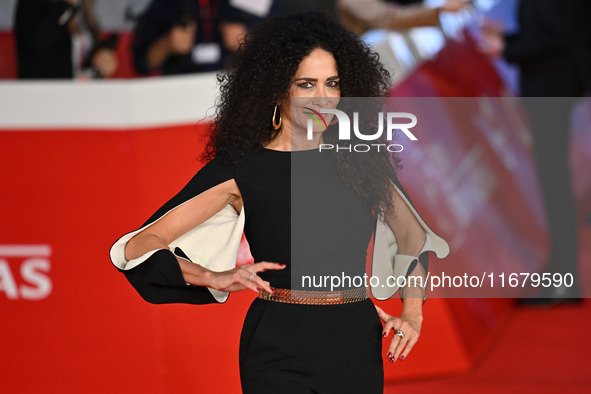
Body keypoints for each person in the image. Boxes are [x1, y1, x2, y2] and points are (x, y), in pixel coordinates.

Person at [110, 12, 449, 392]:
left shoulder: (360, 156)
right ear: (276, 89)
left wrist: (413, 312)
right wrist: (212, 277)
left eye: (332, 83)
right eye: (306, 84)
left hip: (356, 339)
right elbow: (138, 247)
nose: (323, 98)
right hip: (278, 349)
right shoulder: (243, 170)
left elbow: (412, 237)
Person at [480, 0, 590, 303]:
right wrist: (510, 42)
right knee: (554, 180)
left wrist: (508, 49)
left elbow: (559, 33)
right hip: (553, 84)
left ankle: (564, 281)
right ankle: (561, 273)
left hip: (552, 86)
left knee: (554, 181)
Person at [132, 0, 277, 75]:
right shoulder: (169, 3)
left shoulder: (256, 2)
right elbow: (142, 63)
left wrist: (249, 41)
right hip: (180, 94)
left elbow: (283, 51)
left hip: (239, 94)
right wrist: (166, 44)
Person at [14, 0, 118, 79]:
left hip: (80, 96)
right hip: (44, 97)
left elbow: (81, 59)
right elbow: (36, 42)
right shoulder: (33, 3)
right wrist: (66, 5)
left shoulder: (83, 7)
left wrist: (103, 62)